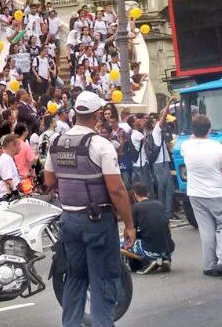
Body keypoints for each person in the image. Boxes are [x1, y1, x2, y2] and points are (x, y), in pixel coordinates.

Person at [44, 91, 135, 327]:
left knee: (74, 278)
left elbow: (50, 180)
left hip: (69, 221)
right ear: (97, 115)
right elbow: (116, 190)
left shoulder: (56, 142)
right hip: (97, 222)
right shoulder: (100, 145)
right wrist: (130, 225)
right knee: (103, 281)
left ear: (76, 113)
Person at [181, 113, 222, 278]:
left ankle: (209, 265)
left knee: (206, 229)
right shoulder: (217, 147)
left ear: (193, 130)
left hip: (195, 193)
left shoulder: (185, 146)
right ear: (209, 130)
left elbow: (192, 137)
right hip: (217, 193)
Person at [123, 182, 175, 275]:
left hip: (150, 250)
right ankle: (163, 259)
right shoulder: (159, 204)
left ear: (135, 194)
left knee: (120, 246)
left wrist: (128, 242)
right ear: (148, 193)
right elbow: (168, 225)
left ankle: (148, 260)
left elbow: (131, 232)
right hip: (168, 248)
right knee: (149, 238)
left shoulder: (135, 208)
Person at [0, 133, 22, 200]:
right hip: (7, 198)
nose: (20, 147)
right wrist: (15, 193)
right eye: (18, 145)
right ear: (11, 145)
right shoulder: (6, 159)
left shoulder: (7, 158)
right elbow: (8, 180)